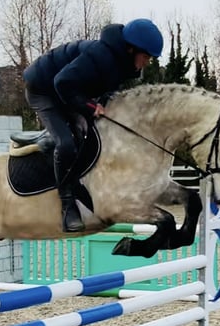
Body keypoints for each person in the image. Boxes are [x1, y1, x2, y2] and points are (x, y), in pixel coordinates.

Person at [23, 18, 164, 232]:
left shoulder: (121, 63)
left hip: (65, 90)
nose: (147, 62)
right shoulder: (100, 55)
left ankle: (78, 183)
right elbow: (62, 83)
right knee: (66, 142)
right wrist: (90, 106)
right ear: (131, 49)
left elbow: (102, 88)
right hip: (43, 88)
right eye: (145, 57)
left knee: (92, 135)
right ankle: (67, 205)